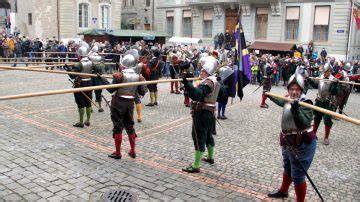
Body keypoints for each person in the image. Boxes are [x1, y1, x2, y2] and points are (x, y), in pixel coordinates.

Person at [267, 74, 316, 202]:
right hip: (289, 142)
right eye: (291, 89)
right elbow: (281, 101)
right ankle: (283, 191)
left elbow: (304, 123)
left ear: (301, 90)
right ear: (288, 90)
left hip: (302, 144)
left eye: (297, 89)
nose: (294, 92)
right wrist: (269, 95)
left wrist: (296, 109)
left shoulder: (306, 103)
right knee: (288, 168)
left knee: (298, 175)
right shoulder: (288, 99)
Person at [100, 53, 146, 159]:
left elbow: (111, 89)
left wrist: (103, 79)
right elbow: (142, 92)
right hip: (130, 104)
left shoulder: (119, 75)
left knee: (118, 127)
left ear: (123, 64)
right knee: (130, 126)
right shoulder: (138, 76)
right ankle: (133, 151)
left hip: (118, 102)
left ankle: (118, 152)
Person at [181, 59, 224, 173]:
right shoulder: (216, 81)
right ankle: (210, 157)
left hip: (203, 113)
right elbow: (222, 96)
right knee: (208, 135)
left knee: (198, 136)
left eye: (203, 71)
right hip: (210, 112)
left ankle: (195, 165)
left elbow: (197, 95)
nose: (200, 72)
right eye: (201, 70)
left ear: (208, 73)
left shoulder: (207, 83)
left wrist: (187, 84)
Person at [308, 63, 339, 145]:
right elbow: (315, 85)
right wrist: (309, 80)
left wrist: (335, 84)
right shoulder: (320, 77)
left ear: (329, 71)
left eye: (327, 72)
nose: (325, 73)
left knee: (327, 120)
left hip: (328, 102)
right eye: (324, 71)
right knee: (317, 118)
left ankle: (326, 137)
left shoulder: (333, 79)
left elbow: (334, 92)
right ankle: (313, 134)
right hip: (318, 100)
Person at [67, 42, 94, 128]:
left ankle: (81, 122)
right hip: (89, 83)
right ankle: (88, 120)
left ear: (80, 55)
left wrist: (68, 69)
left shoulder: (78, 64)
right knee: (88, 101)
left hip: (80, 84)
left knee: (81, 103)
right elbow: (97, 70)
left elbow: (72, 75)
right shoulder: (91, 62)